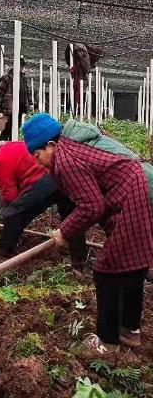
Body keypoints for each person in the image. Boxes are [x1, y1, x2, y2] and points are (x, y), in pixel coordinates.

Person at [23, 113, 153, 358]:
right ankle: (129, 330)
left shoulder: (65, 158)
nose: (39, 163)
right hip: (145, 185)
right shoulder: (74, 142)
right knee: (134, 263)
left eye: (37, 156)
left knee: (107, 270)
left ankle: (107, 342)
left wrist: (64, 231)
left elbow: (92, 206)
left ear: (50, 145)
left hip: (136, 194)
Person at [0, 140, 89, 271]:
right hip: (60, 175)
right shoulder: (18, 144)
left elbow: (10, 193)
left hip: (43, 181)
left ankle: (4, 253)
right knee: (71, 219)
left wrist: (15, 208)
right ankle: (79, 262)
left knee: (13, 213)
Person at [0, 57, 33, 141]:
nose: (21, 68)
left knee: (17, 125)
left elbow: (27, 91)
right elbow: (0, 91)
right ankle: (2, 142)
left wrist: (30, 103)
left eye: (22, 66)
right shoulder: (6, 78)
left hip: (20, 105)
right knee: (8, 125)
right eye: (20, 66)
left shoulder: (23, 78)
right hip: (9, 105)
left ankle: (12, 142)